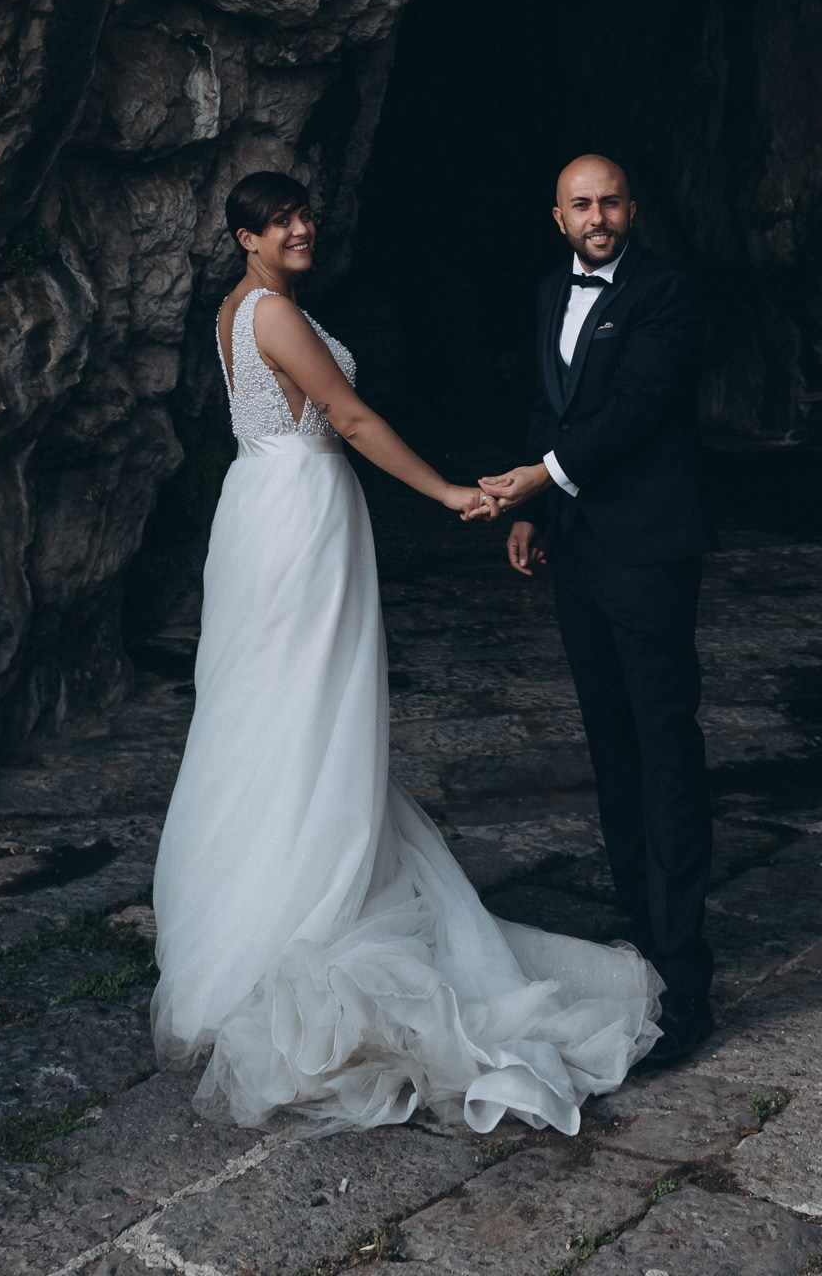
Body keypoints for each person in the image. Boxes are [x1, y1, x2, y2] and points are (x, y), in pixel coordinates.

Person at [150, 168, 660, 1131]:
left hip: (265, 507)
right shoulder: (273, 314)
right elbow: (348, 417)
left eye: (304, 212)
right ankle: (304, 907)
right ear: (244, 240)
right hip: (298, 513)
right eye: (277, 222)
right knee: (306, 705)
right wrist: (449, 494)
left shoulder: (242, 308)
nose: (301, 228)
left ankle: (280, 881)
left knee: (270, 709)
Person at [478, 154, 714, 1069]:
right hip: (577, 551)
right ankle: (639, 942)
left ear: (631, 207)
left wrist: (544, 477)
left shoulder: (665, 292)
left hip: (650, 548)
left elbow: (638, 410)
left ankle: (687, 984)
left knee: (664, 743)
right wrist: (535, 508)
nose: (598, 216)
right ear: (558, 217)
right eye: (582, 205)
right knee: (610, 743)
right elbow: (553, 405)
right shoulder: (550, 292)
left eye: (611, 200)